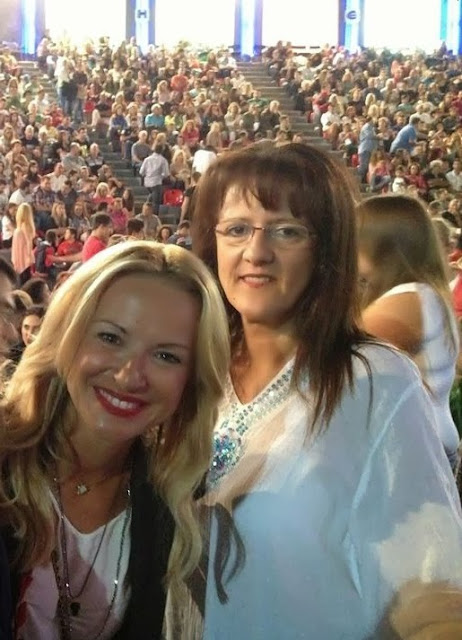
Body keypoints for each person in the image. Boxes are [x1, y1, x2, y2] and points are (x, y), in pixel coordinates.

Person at [166, 143, 462, 639]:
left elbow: (432, 588)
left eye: (287, 231)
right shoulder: (190, 367)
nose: (256, 252)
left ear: (326, 250)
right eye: (236, 229)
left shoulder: (374, 381)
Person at [0, 241, 230, 639]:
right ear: (66, 334)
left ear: (191, 382)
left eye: (166, 356)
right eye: (110, 337)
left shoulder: (175, 502)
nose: (129, 376)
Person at [357, 194, 460, 469]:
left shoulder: (410, 299)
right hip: (422, 443)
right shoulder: (422, 293)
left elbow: (337, 353)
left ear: (382, 245)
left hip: (419, 450)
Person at [11, 203, 35, 286]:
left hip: (23, 255)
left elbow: (29, 242)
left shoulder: (24, 225)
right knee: (23, 277)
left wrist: (28, 256)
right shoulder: (22, 225)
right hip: (20, 253)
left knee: (24, 278)